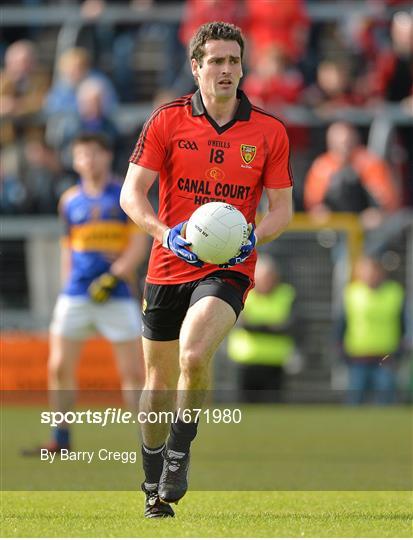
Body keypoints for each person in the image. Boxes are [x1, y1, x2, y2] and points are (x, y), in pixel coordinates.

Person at [120, 21, 293, 518]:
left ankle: (180, 447)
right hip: (168, 263)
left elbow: (282, 208)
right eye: (215, 61)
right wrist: (164, 234)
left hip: (230, 267)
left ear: (243, 68)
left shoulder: (268, 130)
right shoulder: (167, 121)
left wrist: (249, 239)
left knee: (194, 354)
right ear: (195, 67)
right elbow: (131, 195)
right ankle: (152, 478)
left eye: (233, 61)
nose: (225, 70)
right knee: (157, 379)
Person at [23, 133, 147, 455]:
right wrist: (68, 286)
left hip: (116, 294)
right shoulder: (69, 200)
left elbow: (138, 244)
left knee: (132, 372)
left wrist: (113, 276)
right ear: (75, 161)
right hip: (77, 294)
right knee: (59, 367)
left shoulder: (124, 194)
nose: (88, 160)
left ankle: (148, 443)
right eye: (82, 155)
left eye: (94, 153)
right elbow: (69, 248)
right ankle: (60, 440)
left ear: (107, 156)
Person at [227, 254, 297, 403]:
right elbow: (241, 323)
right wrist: (271, 326)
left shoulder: (286, 294)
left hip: (274, 362)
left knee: (272, 410)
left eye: (269, 277)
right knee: (245, 408)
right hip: (246, 362)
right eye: (263, 277)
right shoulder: (245, 294)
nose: (267, 281)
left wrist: (256, 325)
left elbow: (290, 325)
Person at [337, 255, 406, 405]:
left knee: (386, 396)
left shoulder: (394, 292)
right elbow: (341, 325)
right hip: (358, 355)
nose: (370, 276)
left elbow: (403, 324)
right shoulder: (352, 293)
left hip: (386, 356)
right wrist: (339, 349)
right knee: (356, 398)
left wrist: (401, 350)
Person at [304, 122, 400, 221]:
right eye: (339, 144)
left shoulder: (370, 163)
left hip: (366, 222)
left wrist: (377, 213)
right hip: (335, 223)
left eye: (348, 143)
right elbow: (313, 204)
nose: (344, 148)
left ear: (355, 141)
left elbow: (387, 200)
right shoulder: (322, 167)